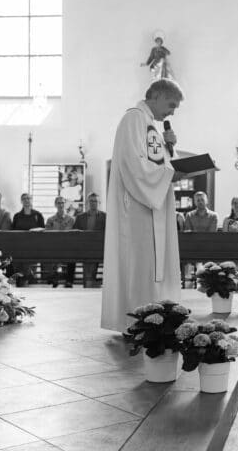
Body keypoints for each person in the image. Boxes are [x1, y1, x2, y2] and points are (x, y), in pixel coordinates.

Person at [101, 79, 183, 332]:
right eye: (171, 105)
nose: (172, 112)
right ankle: (138, 322)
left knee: (151, 265)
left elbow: (157, 164)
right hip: (138, 209)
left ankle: (154, 318)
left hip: (151, 207)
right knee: (140, 265)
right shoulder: (134, 119)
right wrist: (169, 175)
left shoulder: (149, 124)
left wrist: (170, 149)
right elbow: (132, 164)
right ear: (156, 96)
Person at [72, 192, 107, 288]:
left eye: (95, 201)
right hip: (84, 248)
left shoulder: (105, 217)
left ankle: (90, 284)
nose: (93, 203)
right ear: (87, 202)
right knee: (87, 267)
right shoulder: (80, 217)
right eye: (91, 201)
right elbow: (75, 232)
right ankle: (88, 285)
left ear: (99, 202)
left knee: (93, 266)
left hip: (99, 248)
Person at [45, 196, 76, 288]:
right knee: (51, 255)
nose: (61, 205)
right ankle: (54, 279)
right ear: (55, 205)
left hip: (68, 246)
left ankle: (69, 281)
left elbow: (73, 234)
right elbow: (47, 234)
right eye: (58, 203)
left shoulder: (71, 219)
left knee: (72, 256)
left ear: (65, 204)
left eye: (62, 203)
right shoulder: (50, 219)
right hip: (54, 246)